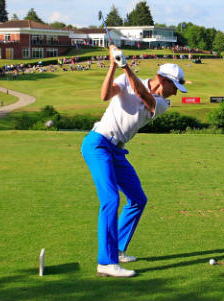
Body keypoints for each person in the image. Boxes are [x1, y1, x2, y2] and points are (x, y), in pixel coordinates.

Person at [81, 45, 187, 278]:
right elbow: (104, 95)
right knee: (110, 199)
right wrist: (112, 64)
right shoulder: (125, 78)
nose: (176, 93)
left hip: (118, 151)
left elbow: (144, 96)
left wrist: (125, 66)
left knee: (138, 199)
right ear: (162, 79)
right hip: (98, 143)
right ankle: (106, 263)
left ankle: (117, 250)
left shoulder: (162, 104)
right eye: (175, 87)